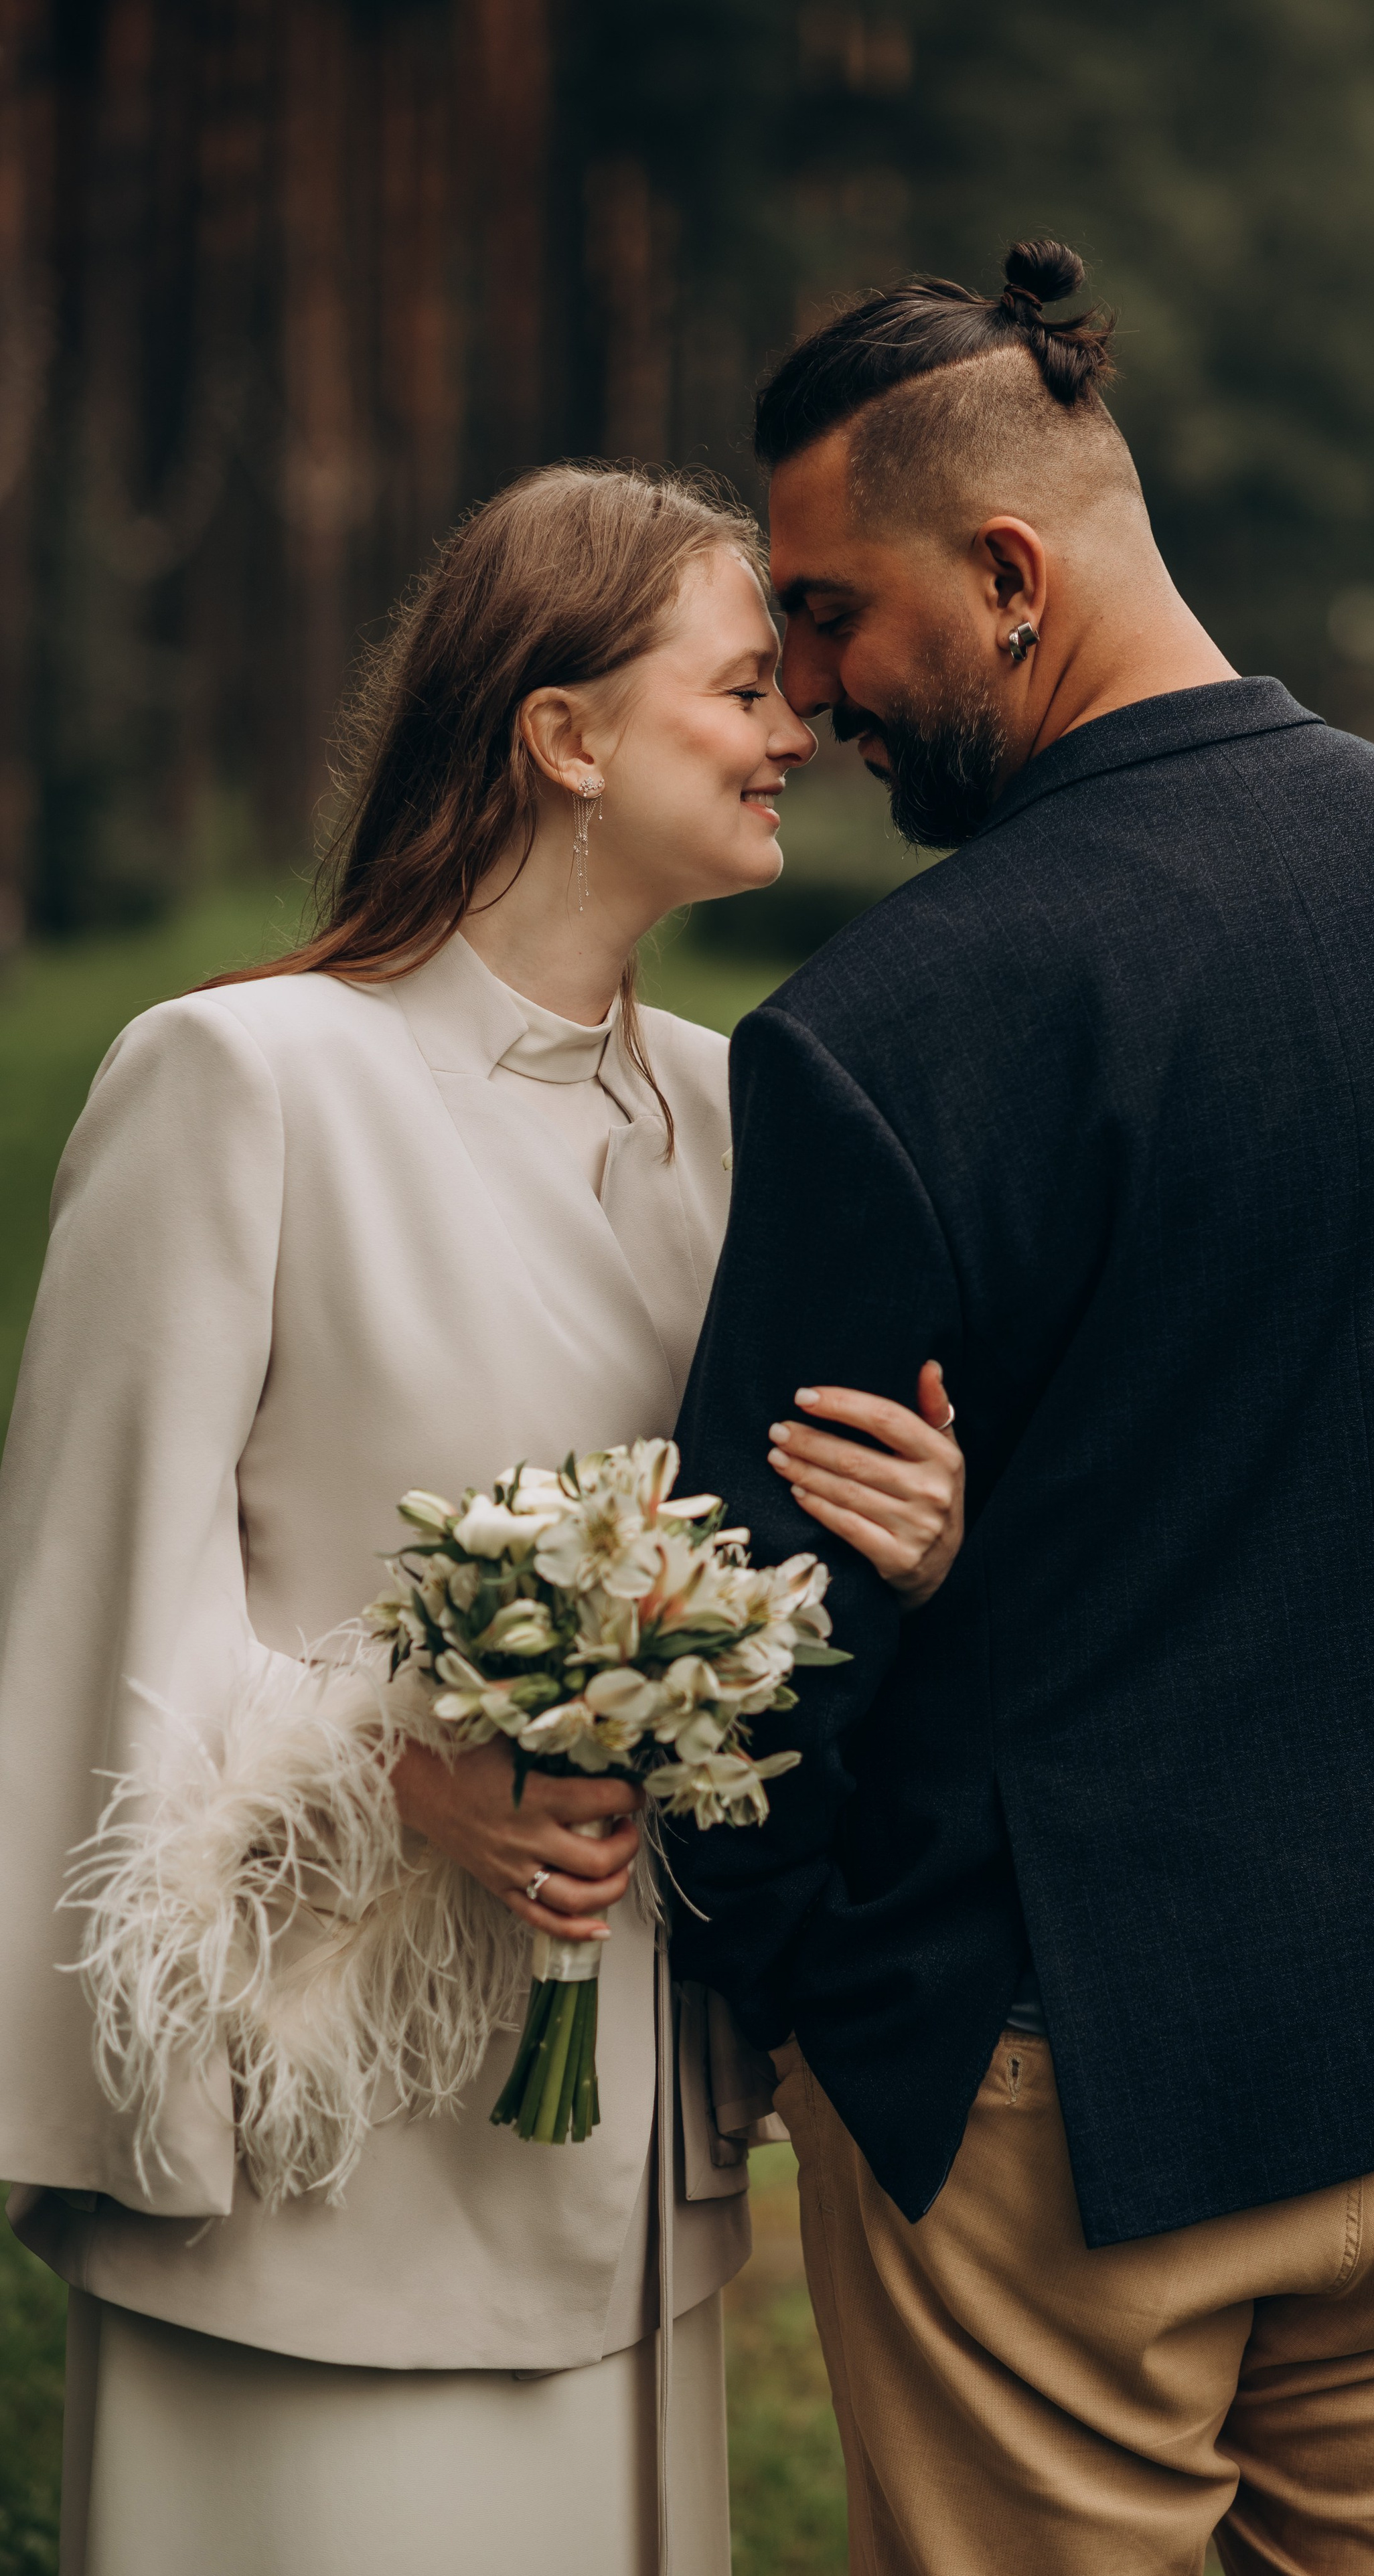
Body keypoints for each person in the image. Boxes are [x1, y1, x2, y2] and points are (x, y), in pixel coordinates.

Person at [667, 238, 1374, 2575]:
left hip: (1067, 2087)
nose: (814, 693)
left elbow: (765, 1636)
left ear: (1012, 574)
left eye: (830, 616)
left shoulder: (891, 1029)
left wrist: (798, 1983)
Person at [0, 461, 964, 2576]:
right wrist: (395, 1773)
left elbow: (769, 1579)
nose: (796, 721)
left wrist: (916, 1538)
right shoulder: (239, 1081)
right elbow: (89, 1626)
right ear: (566, 732)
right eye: (740, 682)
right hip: (322, 2155)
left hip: (626, 2160)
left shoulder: (747, 1118)